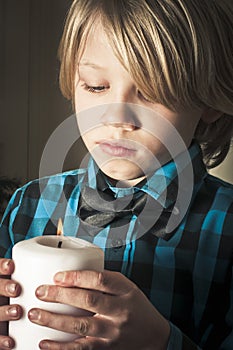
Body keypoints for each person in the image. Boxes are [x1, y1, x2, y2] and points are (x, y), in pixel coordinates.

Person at [0, 0, 233, 349]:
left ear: (210, 101)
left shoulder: (226, 225)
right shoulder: (28, 206)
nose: (116, 117)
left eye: (151, 93)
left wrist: (161, 342)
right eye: (96, 86)